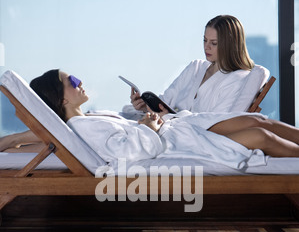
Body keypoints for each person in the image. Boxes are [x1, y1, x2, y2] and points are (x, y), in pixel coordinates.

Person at [2, 70, 299, 170]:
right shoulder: (80, 127)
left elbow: (55, 136)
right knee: (262, 137)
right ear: (62, 99)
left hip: (182, 125)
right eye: (72, 80)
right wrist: (149, 128)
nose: (80, 81)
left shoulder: (85, 120)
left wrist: (11, 141)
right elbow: (126, 151)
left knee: (259, 123)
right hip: (176, 142)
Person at [124, 15, 255, 121]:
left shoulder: (237, 79)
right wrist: (144, 107)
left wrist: (170, 117)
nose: (206, 47)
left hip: (186, 134)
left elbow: (214, 122)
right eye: (205, 40)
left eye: (214, 43)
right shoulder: (196, 67)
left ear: (229, 45)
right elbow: (165, 101)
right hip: (164, 124)